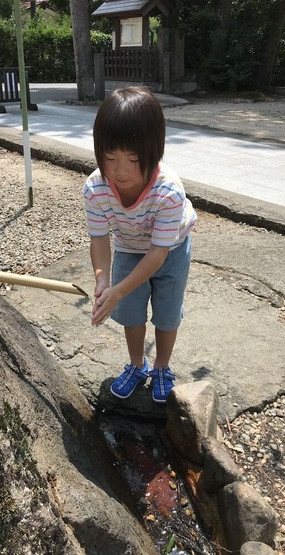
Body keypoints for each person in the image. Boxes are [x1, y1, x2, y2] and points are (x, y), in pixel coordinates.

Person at [83, 86, 197, 403]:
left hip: (171, 250)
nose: (120, 170)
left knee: (167, 313)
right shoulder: (95, 187)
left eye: (133, 158)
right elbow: (99, 237)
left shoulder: (169, 191)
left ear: (153, 151)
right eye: (109, 157)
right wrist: (103, 280)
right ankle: (137, 365)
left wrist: (118, 289)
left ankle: (161, 366)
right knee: (131, 312)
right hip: (129, 248)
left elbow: (158, 254)